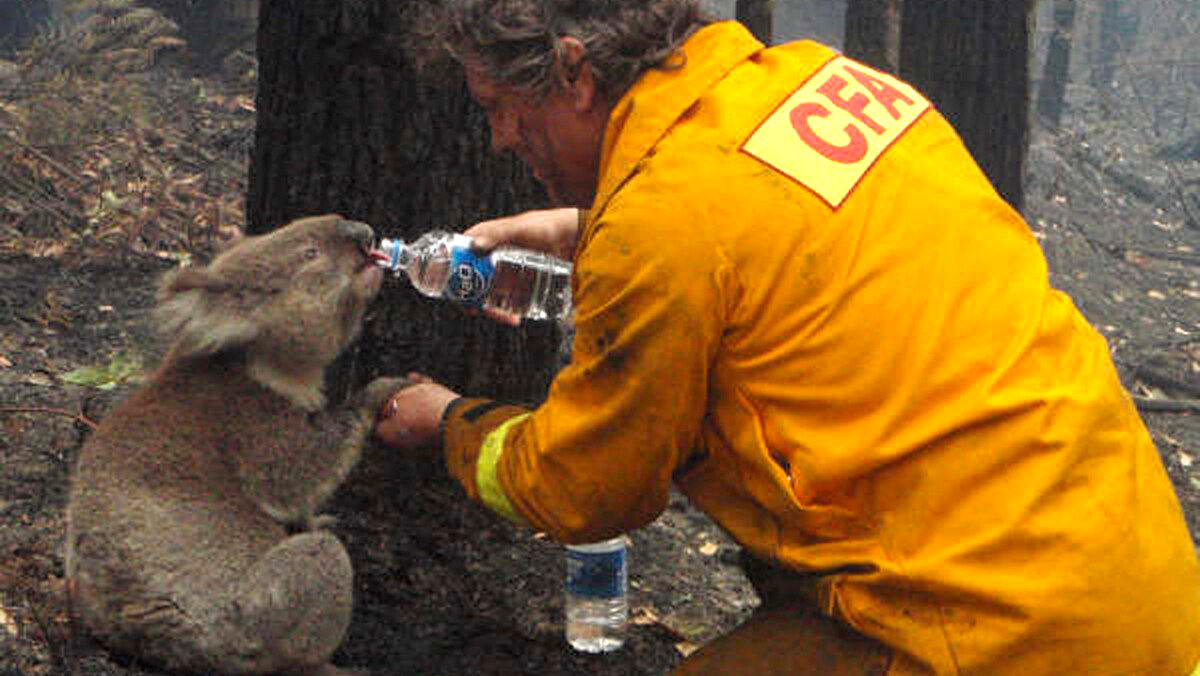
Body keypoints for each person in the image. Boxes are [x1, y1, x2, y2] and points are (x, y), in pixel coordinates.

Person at [376, 1, 1200, 674]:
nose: (498, 141)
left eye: (498, 110)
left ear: (572, 73)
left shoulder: (664, 228)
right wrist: (586, 230)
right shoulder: (821, 82)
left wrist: (449, 421)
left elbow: (585, 490)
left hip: (999, 635)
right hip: (1139, 582)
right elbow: (773, 239)